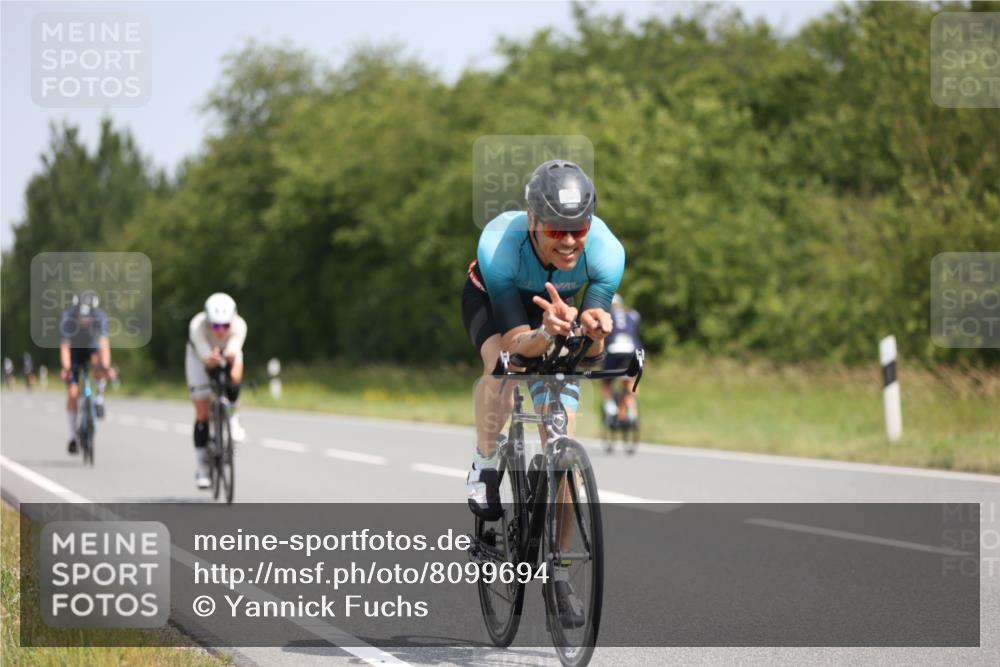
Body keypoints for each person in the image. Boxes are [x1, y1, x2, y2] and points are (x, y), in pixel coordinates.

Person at [461, 159, 624, 626]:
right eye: (557, 230)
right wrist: (547, 334)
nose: (570, 241)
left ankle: (561, 570)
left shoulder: (608, 254)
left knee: (565, 442)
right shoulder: (500, 248)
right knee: (504, 375)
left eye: (579, 229)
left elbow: (590, 354)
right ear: (533, 221)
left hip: (558, 312)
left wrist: (595, 333)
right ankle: (486, 462)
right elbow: (517, 345)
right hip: (496, 305)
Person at [186, 292, 247, 489]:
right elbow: (207, 360)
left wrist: (229, 365)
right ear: (208, 321)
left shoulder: (240, 326)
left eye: (225, 325)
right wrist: (212, 360)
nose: (220, 331)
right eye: (216, 326)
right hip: (199, 357)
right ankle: (202, 467)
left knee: (235, 378)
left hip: (226, 353)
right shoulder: (197, 326)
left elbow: (233, 354)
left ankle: (233, 419)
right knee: (202, 411)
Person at [60, 290, 116, 454]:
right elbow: (64, 347)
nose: (84, 321)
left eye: (87, 317)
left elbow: (104, 344)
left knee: (98, 362)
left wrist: (106, 367)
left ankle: (98, 397)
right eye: (81, 317)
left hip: (91, 346)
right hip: (74, 351)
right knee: (72, 393)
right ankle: (72, 437)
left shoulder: (99, 316)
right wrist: (66, 369)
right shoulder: (68, 318)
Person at [601, 294, 642, 425]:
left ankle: (610, 407)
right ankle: (631, 407)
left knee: (606, 380)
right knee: (630, 380)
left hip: (614, 349)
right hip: (632, 350)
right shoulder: (632, 314)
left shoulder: (607, 314)